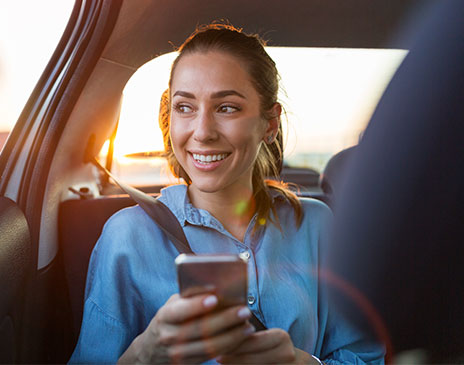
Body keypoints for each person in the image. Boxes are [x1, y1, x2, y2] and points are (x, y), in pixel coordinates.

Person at [70, 24, 384, 364]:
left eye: (227, 107)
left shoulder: (317, 225)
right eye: (185, 107)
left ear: (270, 124)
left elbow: (368, 357)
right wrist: (145, 354)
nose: (202, 132)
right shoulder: (126, 237)